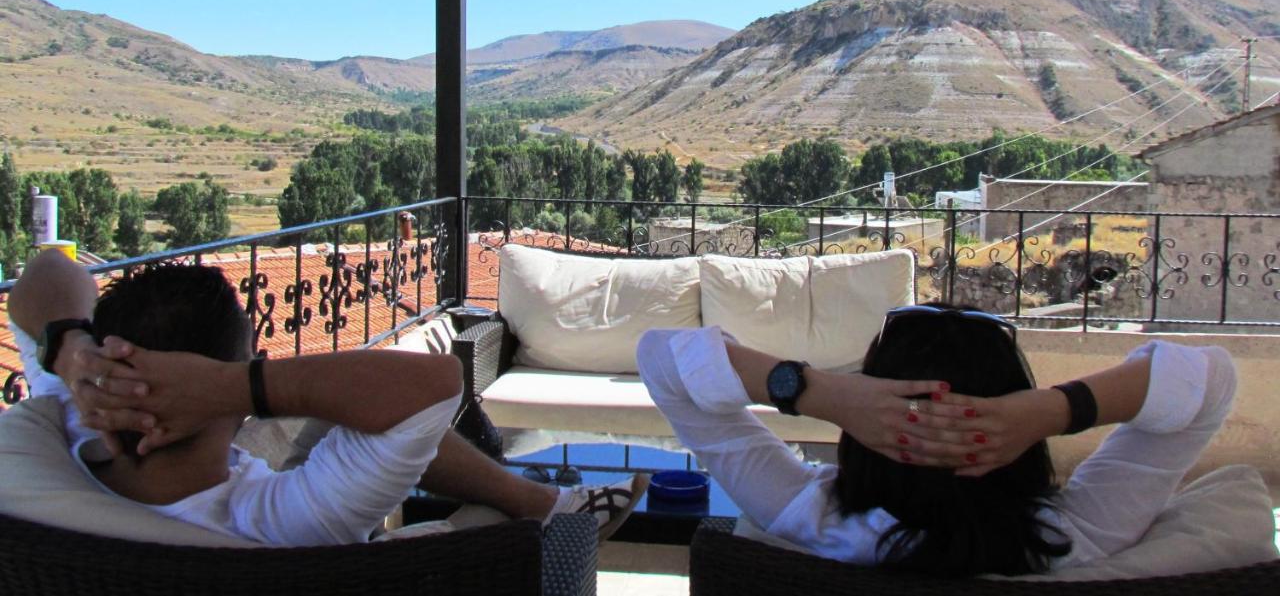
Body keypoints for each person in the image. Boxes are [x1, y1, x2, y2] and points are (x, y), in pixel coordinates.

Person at [8, 249, 647, 546]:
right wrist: (236, 386)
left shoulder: (57, 436)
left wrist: (69, 346)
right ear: (225, 379)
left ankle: (545, 501)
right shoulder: (285, 518)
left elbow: (47, 268)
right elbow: (433, 385)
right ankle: (545, 508)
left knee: (357, 417)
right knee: (442, 486)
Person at [636, 303, 1238, 576]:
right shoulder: (1081, 536)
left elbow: (661, 358)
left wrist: (820, 394)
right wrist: (1055, 409)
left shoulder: (805, 519)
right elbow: (1210, 380)